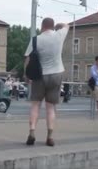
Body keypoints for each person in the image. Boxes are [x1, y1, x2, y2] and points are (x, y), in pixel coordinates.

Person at [24, 18, 69, 147]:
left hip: (39, 76)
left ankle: (32, 132)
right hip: (56, 74)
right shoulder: (59, 35)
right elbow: (67, 25)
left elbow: (27, 58)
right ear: (53, 26)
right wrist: (60, 25)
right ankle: (50, 137)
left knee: (35, 105)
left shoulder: (35, 39)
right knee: (50, 108)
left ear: (42, 26)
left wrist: (26, 75)